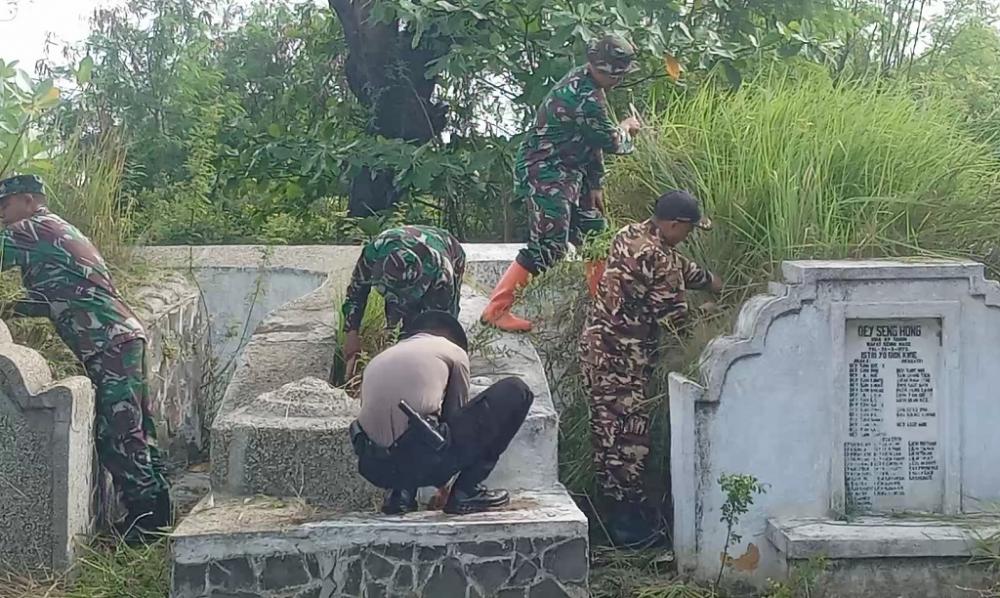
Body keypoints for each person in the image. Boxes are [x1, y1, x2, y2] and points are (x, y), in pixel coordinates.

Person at [0, 174, 170, 541]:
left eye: (4, 205)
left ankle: (146, 523)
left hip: (108, 340)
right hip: (120, 335)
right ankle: (159, 514)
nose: (1, 214)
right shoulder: (55, 231)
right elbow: (57, 295)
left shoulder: (32, 228)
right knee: (137, 427)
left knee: (119, 432)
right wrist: (11, 307)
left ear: (29, 200)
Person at [579, 190, 722, 548]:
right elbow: (675, 321)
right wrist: (710, 317)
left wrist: (707, 280)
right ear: (674, 224)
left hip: (596, 348)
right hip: (621, 362)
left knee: (605, 431)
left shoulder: (629, 234)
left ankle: (612, 518)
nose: (687, 237)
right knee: (628, 440)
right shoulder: (659, 257)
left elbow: (674, 266)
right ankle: (627, 529)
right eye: (688, 231)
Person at [480, 34, 643, 332]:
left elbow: (589, 141)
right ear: (605, 69)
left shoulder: (590, 83)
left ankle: (604, 311)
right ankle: (496, 310)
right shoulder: (584, 97)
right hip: (546, 172)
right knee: (549, 247)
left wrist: (595, 183)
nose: (620, 80)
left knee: (594, 234)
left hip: (572, 172)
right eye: (617, 73)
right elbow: (611, 141)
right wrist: (628, 128)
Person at [350, 310, 534, 515]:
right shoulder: (453, 351)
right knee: (517, 390)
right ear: (451, 337)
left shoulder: (380, 360)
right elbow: (455, 421)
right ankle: (467, 492)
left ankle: (399, 497)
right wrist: (445, 485)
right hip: (422, 458)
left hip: (374, 467)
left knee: (410, 420)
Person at [341, 225, 466, 376]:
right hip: (402, 246)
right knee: (396, 322)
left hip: (450, 249)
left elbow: (444, 320)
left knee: (431, 335)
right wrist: (351, 334)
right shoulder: (373, 254)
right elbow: (356, 293)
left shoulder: (442, 273)